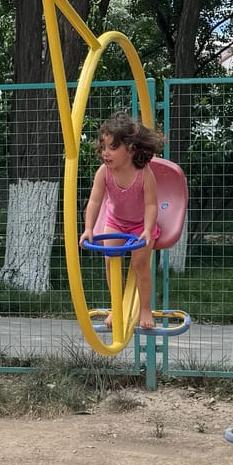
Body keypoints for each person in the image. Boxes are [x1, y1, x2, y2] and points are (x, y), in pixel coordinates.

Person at [80, 114, 163, 332]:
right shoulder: (104, 172)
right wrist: (88, 228)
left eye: (113, 147)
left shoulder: (144, 174)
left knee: (140, 265)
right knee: (111, 261)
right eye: (104, 147)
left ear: (131, 149)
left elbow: (151, 206)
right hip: (115, 222)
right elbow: (95, 200)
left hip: (140, 225)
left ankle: (145, 308)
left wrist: (146, 230)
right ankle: (116, 307)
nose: (106, 153)